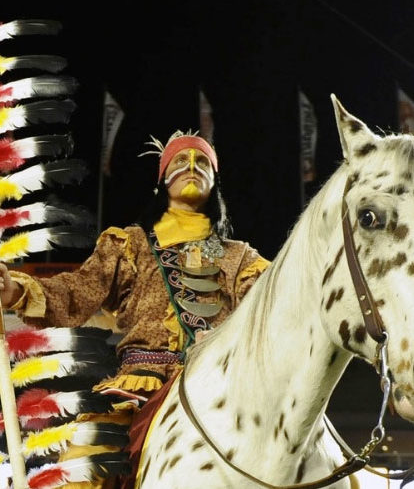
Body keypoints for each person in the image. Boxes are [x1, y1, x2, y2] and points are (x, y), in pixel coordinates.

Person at [0, 130, 270, 486]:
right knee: (84, 462)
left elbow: (273, 309)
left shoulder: (240, 258)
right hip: (141, 385)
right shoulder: (132, 245)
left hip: (220, 385)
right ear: (163, 180)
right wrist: (17, 290)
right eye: (181, 160)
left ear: (215, 183)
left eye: (203, 162)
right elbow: (77, 292)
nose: (192, 166)